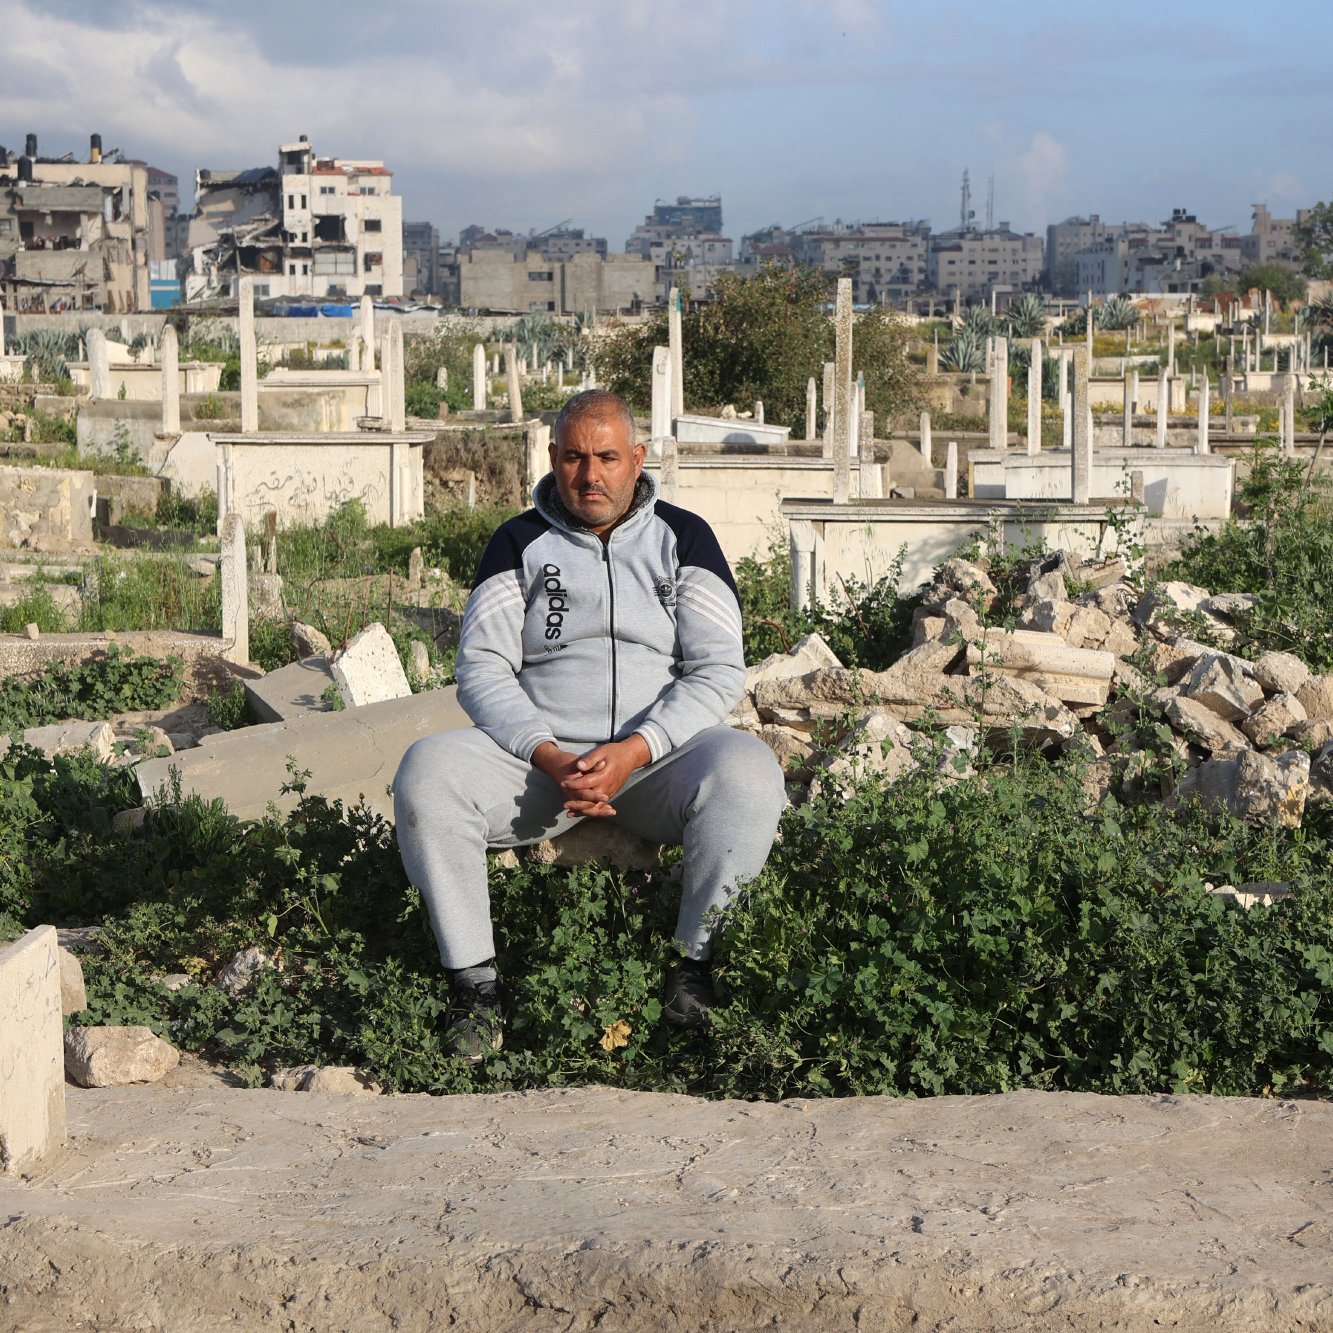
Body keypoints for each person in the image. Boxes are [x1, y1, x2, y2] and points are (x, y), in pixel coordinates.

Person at [393, 388, 786, 1059]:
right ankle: (475, 989)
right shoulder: (515, 542)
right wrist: (547, 754)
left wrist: (636, 749)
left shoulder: (684, 538)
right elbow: (481, 670)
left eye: (607, 456)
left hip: (660, 763)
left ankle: (693, 969)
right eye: (574, 457)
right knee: (425, 771)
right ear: (551, 458)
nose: (590, 475)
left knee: (750, 772)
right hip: (542, 767)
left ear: (637, 458)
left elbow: (718, 669)